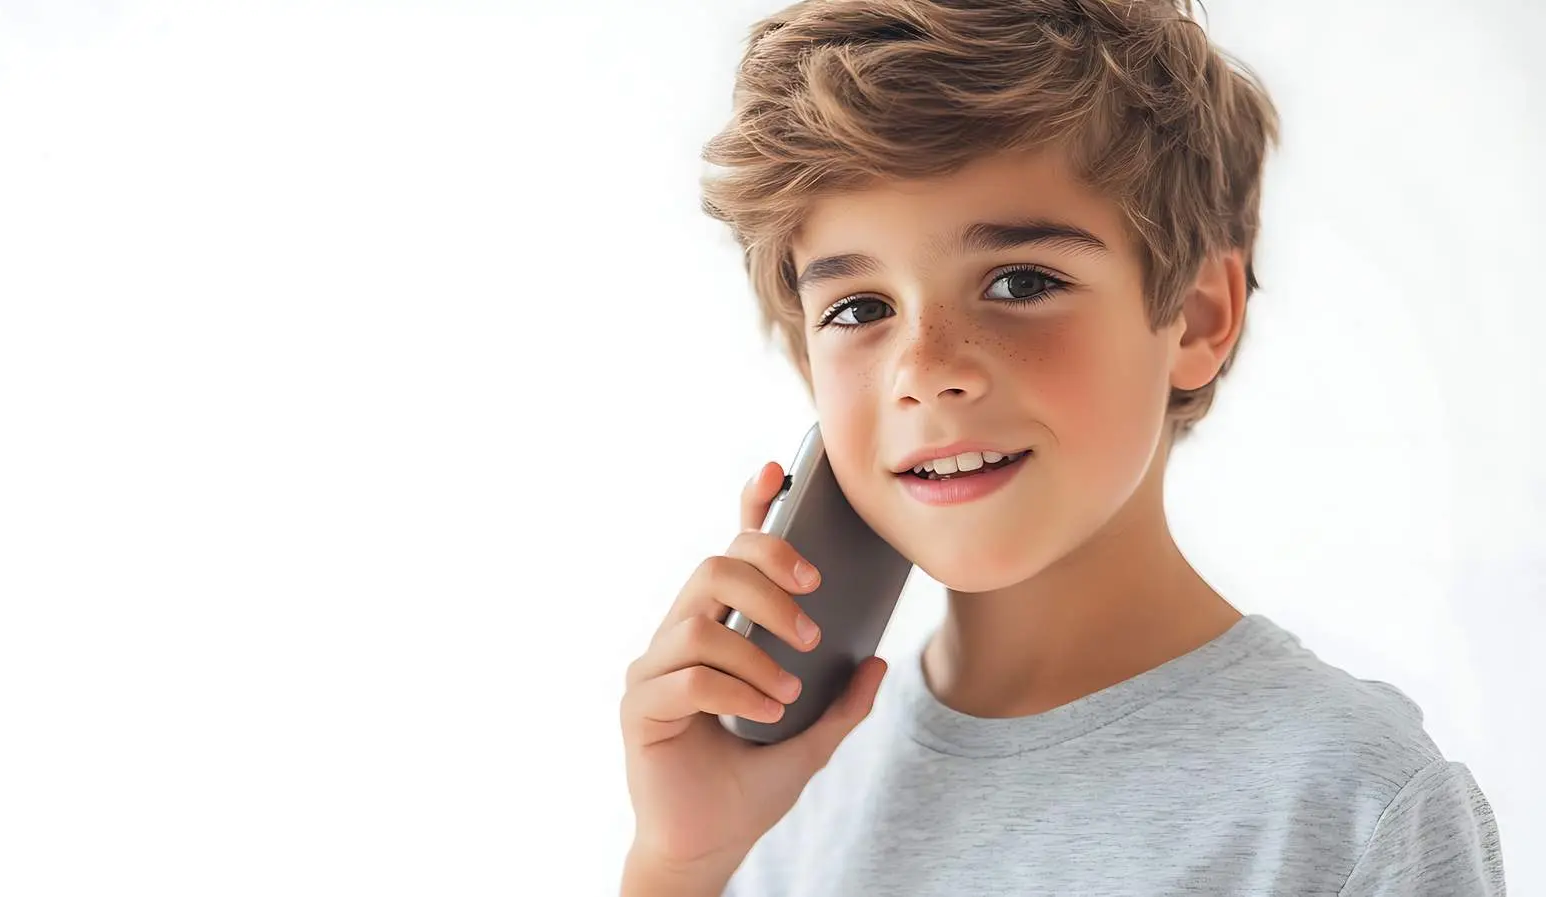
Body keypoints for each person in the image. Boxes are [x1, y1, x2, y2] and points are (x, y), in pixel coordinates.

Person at [619, 1, 1507, 893]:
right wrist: (682, 862)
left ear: (1198, 315)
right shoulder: (789, 796)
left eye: (1018, 282)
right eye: (860, 309)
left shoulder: (1349, 803)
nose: (923, 372)